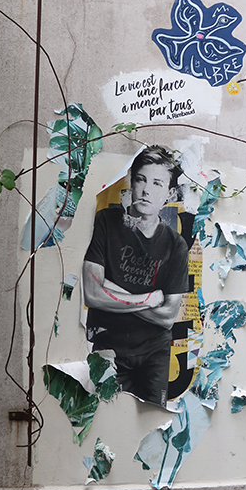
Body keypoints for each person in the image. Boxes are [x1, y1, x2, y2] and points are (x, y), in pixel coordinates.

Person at [83, 146, 190, 407]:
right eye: (141, 180)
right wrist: (148, 299)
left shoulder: (176, 245)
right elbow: (92, 294)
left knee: (152, 420)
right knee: (106, 418)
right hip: (109, 347)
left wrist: (112, 288)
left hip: (155, 354)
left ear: (169, 194)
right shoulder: (107, 221)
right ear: (131, 183)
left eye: (157, 183)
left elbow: (167, 317)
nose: (146, 190)